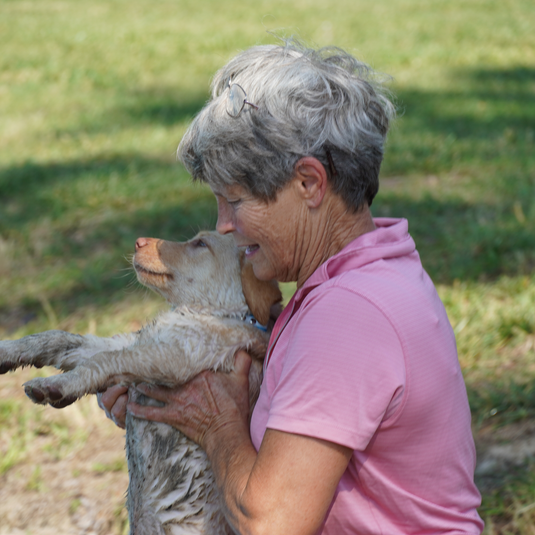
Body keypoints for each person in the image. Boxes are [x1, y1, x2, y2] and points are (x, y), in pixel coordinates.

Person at [101, 41, 484, 534]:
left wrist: (217, 425)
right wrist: (167, 401)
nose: (222, 226)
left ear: (309, 183)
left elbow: (272, 523)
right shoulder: (372, 271)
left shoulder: (348, 317)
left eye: (234, 200)